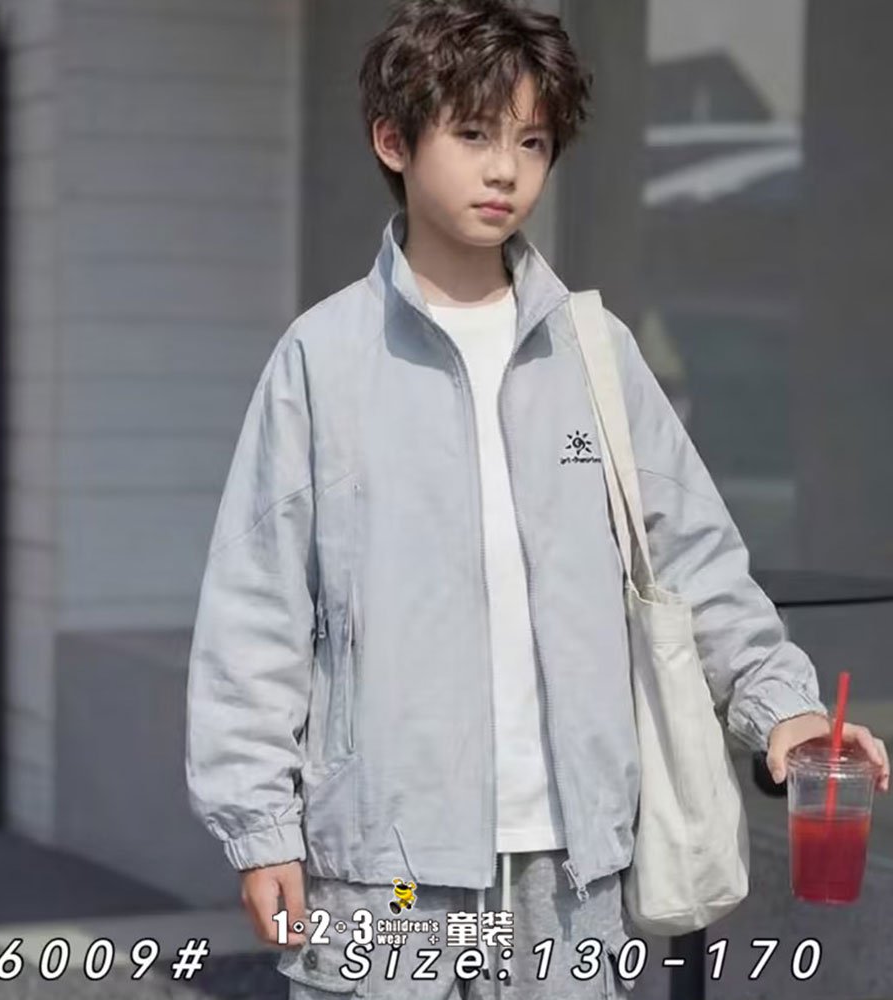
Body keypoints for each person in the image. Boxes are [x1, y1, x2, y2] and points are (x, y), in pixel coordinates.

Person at [185, 2, 890, 997]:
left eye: (532, 142)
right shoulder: (322, 361)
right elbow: (256, 610)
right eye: (474, 135)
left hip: (570, 867)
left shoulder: (594, 356)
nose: (506, 170)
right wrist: (260, 828)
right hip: (383, 869)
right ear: (393, 140)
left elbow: (690, 557)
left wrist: (784, 711)